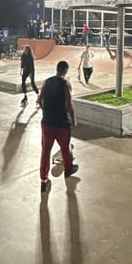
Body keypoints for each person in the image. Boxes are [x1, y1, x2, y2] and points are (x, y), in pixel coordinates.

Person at [37, 60, 78, 193]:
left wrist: (46, 111)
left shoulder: (47, 82)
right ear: (65, 70)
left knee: (45, 152)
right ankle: (68, 170)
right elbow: (69, 103)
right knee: (65, 149)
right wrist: (73, 118)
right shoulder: (65, 84)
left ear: (57, 69)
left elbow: (39, 100)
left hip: (47, 123)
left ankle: (44, 180)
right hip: (61, 124)